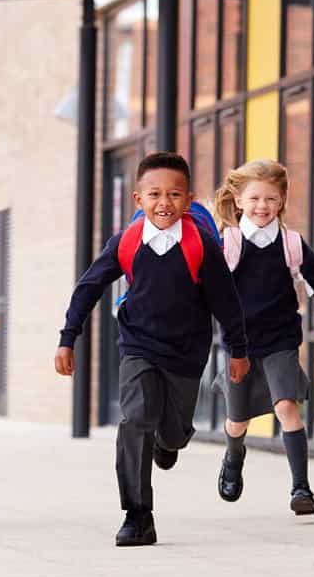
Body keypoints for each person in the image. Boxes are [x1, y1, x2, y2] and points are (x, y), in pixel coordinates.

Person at [55, 151, 249, 547]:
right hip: (137, 344)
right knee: (134, 418)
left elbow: (226, 302)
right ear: (138, 200)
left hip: (186, 352)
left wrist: (238, 349)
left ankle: (167, 441)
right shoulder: (125, 241)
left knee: (174, 433)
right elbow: (89, 287)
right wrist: (67, 337)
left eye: (175, 195)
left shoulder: (202, 244)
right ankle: (137, 514)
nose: (165, 203)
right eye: (155, 194)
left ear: (189, 199)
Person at [212, 160, 314, 515]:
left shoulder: (291, 244)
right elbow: (204, 287)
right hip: (240, 344)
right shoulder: (227, 243)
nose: (262, 206)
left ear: (282, 200)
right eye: (254, 198)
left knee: (286, 406)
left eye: (271, 198)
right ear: (238, 201)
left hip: (281, 339)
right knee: (238, 421)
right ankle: (233, 456)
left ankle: (301, 488)